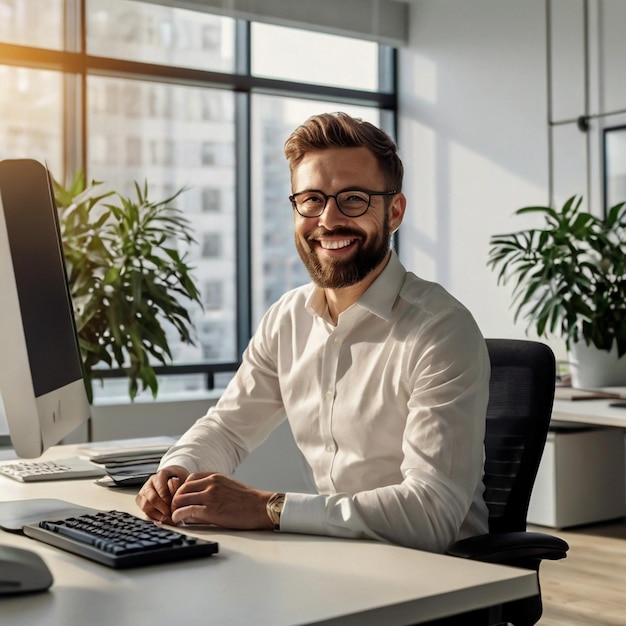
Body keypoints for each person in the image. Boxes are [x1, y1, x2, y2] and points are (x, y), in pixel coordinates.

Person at [136, 111, 490, 552]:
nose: (328, 220)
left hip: (445, 575)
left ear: (394, 212)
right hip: (336, 555)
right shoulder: (287, 319)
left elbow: (431, 513)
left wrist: (267, 508)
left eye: (354, 199)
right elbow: (228, 428)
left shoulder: (440, 330)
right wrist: (178, 470)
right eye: (312, 199)